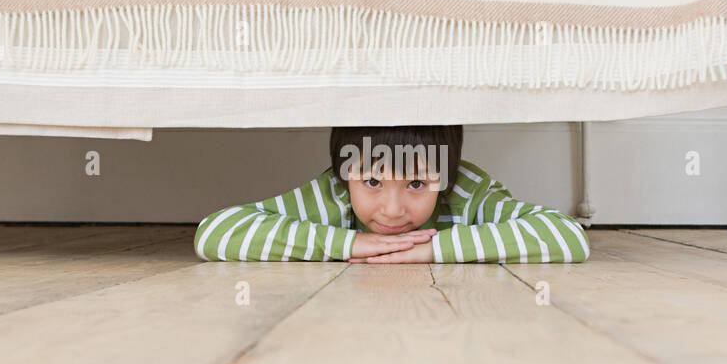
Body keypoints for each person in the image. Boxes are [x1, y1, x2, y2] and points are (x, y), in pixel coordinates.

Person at [194, 124, 590, 264]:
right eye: (372, 182)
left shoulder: (467, 192)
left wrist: (429, 251)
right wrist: (350, 243)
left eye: (417, 184)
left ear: (445, 177)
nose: (392, 210)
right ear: (345, 174)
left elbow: (568, 236)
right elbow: (216, 233)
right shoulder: (335, 193)